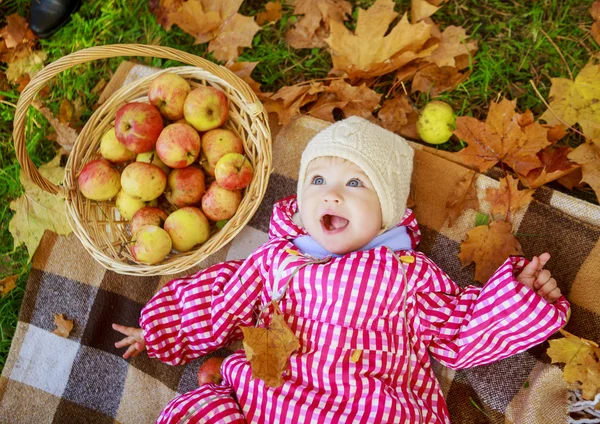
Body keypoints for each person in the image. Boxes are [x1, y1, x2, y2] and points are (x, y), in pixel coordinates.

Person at [113, 116, 569, 423]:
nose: (331, 195)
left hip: (370, 407)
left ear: (388, 212)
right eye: (317, 181)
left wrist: (519, 299)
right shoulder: (277, 260)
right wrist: (160, 328)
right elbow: (217, 302)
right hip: (269, 404)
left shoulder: (406, 274)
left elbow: (459, 329)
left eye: (354, 183)